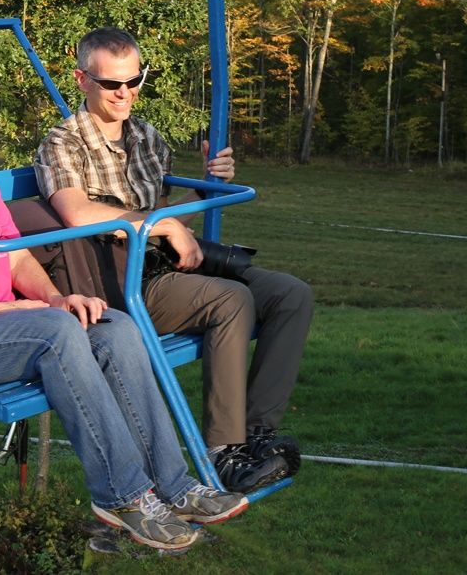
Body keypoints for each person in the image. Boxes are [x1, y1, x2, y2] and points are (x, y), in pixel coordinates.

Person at [0, 55, 247, 551]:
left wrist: (57, 297)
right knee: (57, 334)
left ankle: (173, 484)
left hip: (5, 327)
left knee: (112, 324)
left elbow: (16, 257)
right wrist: (14, 312)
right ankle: (122, 495)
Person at [33, 27, 314, 493]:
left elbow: (167, 211)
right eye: (111, 84)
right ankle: (223, 451)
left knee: (290, 294)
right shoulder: (64, 143)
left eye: (134, 80)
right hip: (119, 276)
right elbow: (76, 211)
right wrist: (160, 225)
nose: (125, 93)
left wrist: (203, 185)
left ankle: (256, 433)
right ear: (82, 80)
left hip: (163, 265)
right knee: (230, 300)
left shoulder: (145, 137)